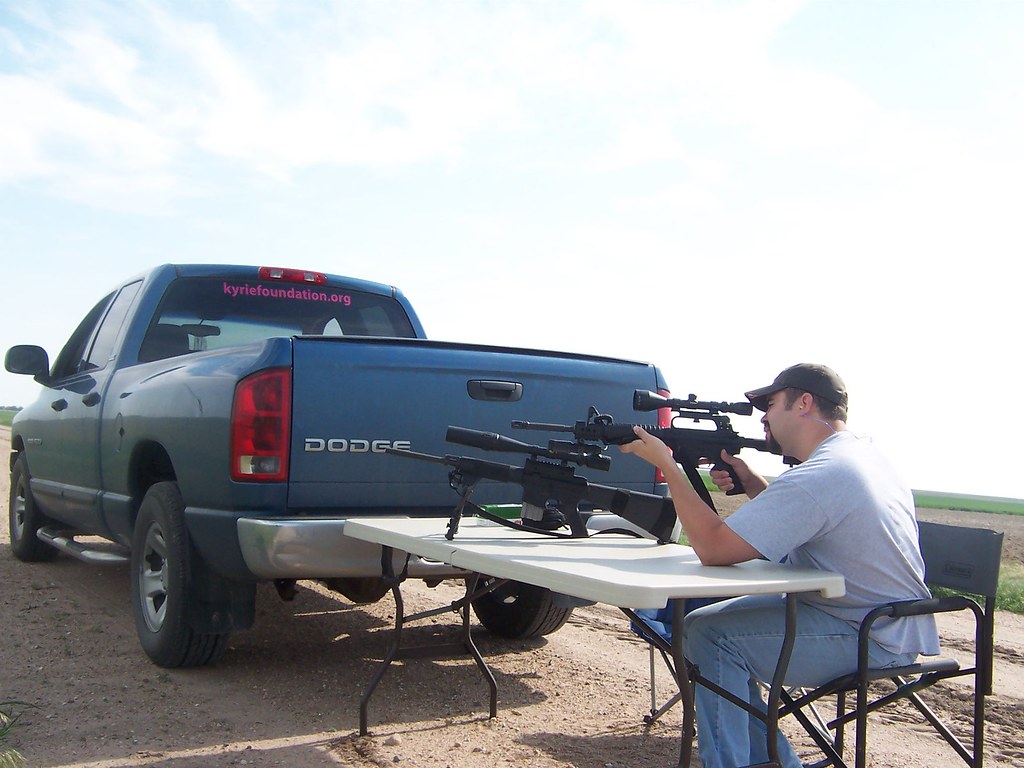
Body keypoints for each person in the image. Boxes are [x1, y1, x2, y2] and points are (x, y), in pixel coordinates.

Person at [619, 363, 938, 768]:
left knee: (710, 635)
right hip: (888, 621)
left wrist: (668, 466)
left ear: (804, 403)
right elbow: (811, 521)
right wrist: (755, 487)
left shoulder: (821, 474)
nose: (765, 417)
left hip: (868, 635)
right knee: (711, 630)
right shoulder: (859, 458)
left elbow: (714, 549)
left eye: (770, 405)